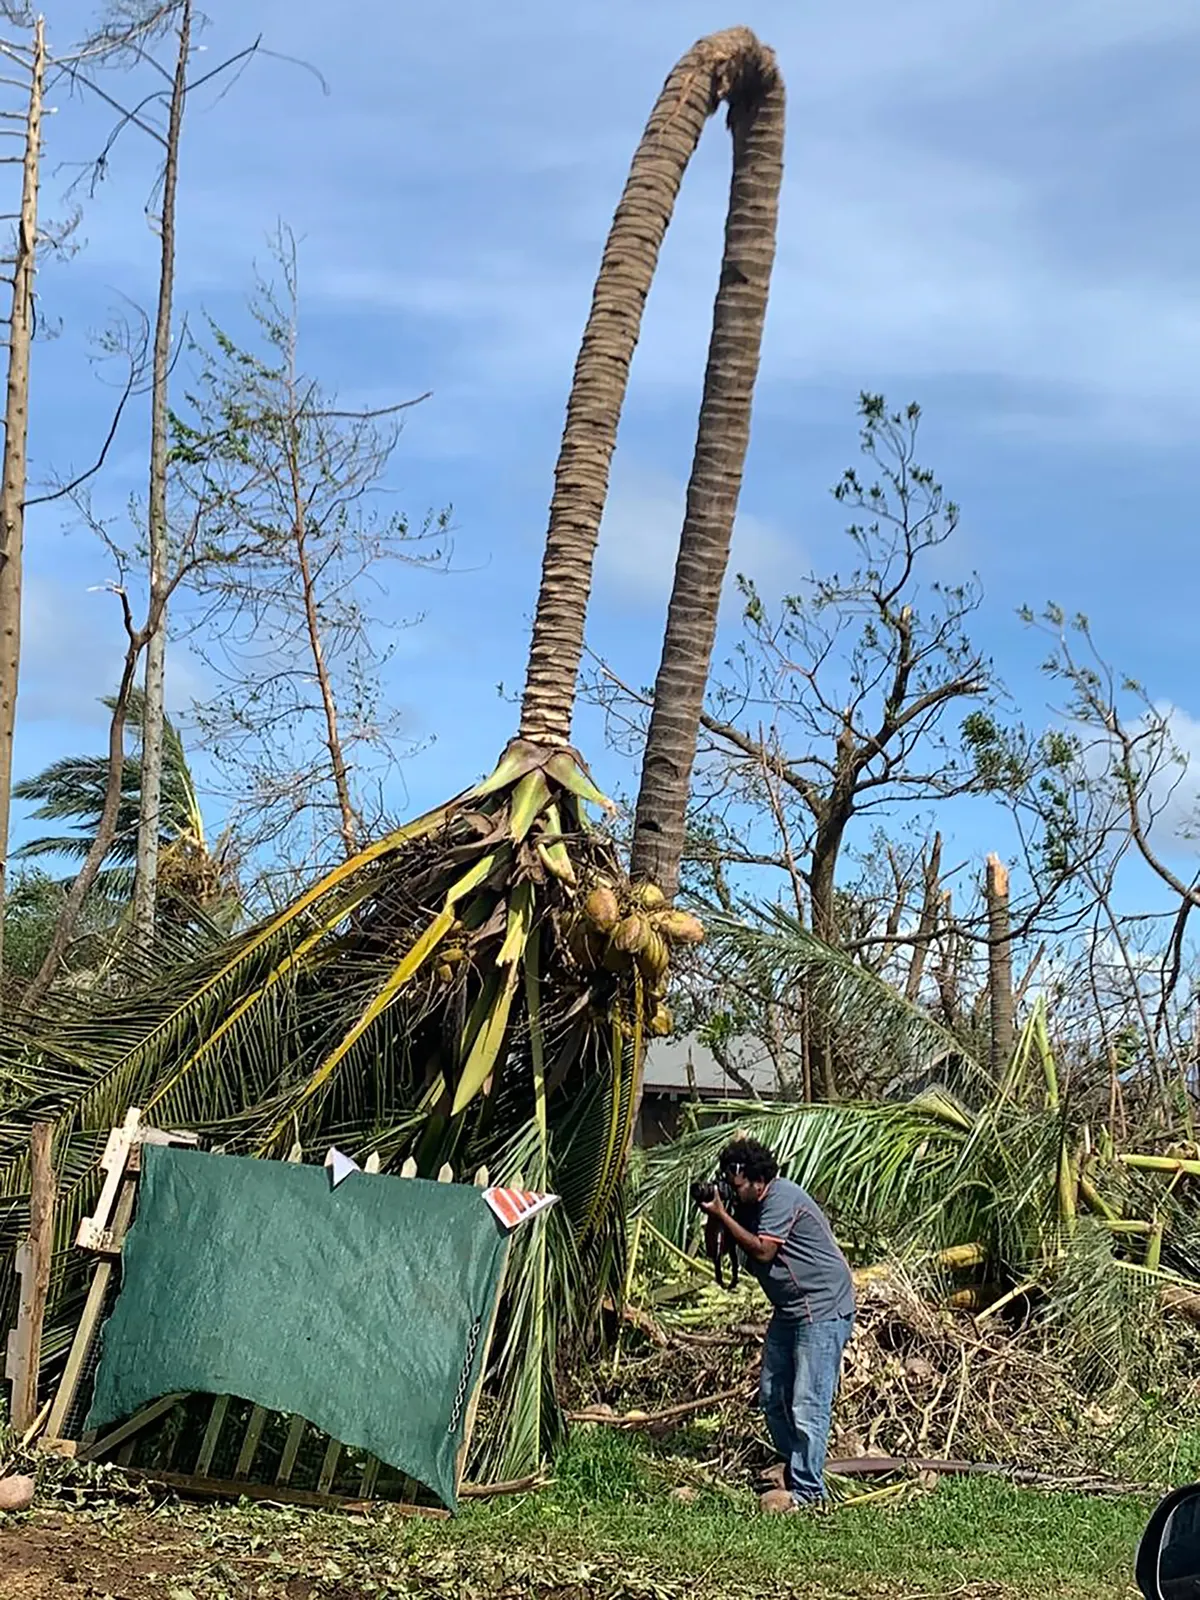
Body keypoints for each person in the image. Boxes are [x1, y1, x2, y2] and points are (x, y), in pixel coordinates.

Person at [699, 1136, 854, 1514]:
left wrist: (723, 1215)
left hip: (822, 1306)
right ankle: (795, 1466)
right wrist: (715, 1215)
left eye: (736, 1186)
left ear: (757, 1179)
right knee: (771, 1394)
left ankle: (809, 1492)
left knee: (808, 1401)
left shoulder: (782, 1197)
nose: (731, 1191)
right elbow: (716, 1252)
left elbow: (764, 1249)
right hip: (790, 1310)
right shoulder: (745, 1204)